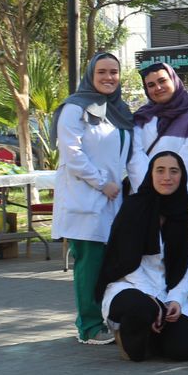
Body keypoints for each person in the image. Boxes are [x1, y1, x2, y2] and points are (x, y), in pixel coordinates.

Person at [52, 53, 134, 344]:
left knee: (107, 263)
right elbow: (72, 154)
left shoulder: (119, 110)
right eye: (102, 72)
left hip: (113, 200)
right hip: (85, 199)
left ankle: (105, 317)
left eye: (114, 72)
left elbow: (128, 155)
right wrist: (102, 183)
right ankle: (88, 326)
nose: (109, 77)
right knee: (89, 264)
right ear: (90, 74)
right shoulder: (75, 108)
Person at [96, 150, 188, 362]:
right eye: (160, 170)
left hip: (167, 289)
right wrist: (153, 301)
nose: (167, 177)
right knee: (141, 311)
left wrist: (175, 298)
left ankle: (153, 334)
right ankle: (128, 335)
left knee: (183, 350)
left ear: (182, 176)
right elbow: (126, 259)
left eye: (174, 171)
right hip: (130, 285)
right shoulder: (134, 207)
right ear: (150, 174)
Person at [129, 64, 188, 313]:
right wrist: (151, 194)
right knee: (156, 262)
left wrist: (166, 192)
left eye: (162, 81)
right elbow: (134, 158)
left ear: (174, 81)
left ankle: (187, 314)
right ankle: (160, 310)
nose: (157, 88)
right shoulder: (141, 118)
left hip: (186, 204)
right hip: (150, 206)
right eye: (150, 85)